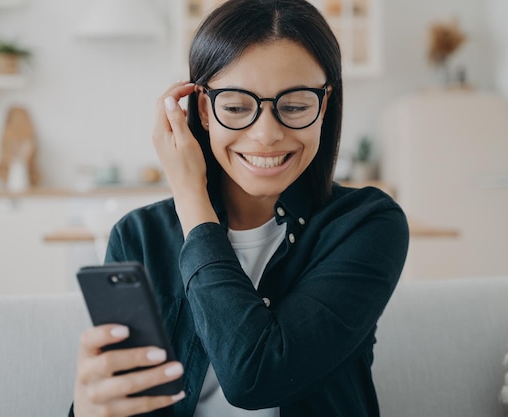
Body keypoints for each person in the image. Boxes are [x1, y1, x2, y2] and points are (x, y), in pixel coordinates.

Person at [71, 0, 409, 416]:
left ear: (325, 106)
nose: (266, 134)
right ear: (203, 111)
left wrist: (191, 198)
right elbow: (125, 398)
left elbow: (255, 376)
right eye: (235, 107)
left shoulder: (367, 224)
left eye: (296, 106)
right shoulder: (139, 236)